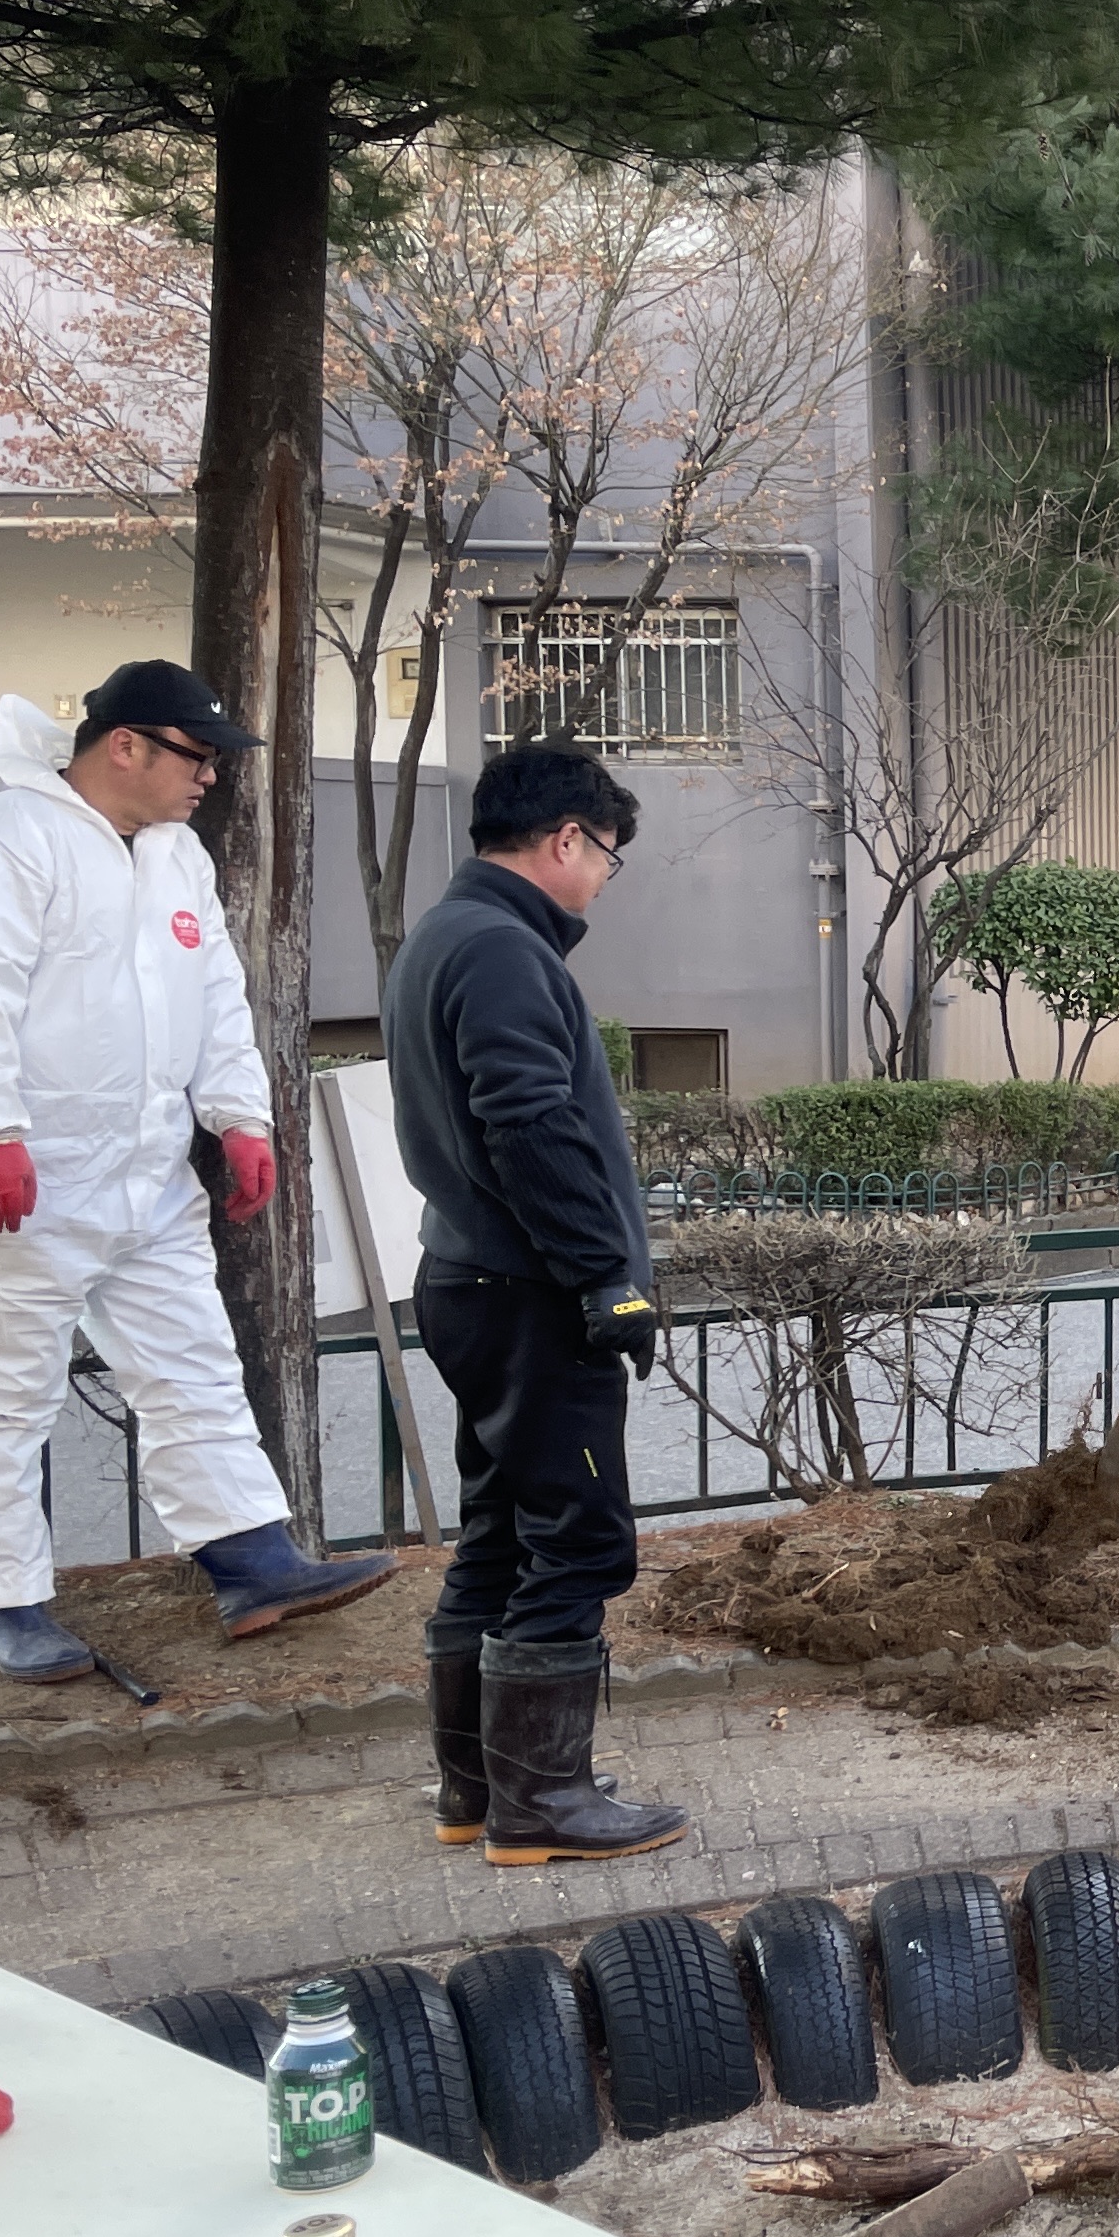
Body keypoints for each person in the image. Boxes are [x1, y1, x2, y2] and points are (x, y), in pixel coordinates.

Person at [0, 663, 398, 1685]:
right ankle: (4, 1602)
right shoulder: (1, 839)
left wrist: (239, 1118)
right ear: (125, 744)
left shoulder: (175, 857)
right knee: (3, 1390)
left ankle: (251, 1559)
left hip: (147, 1171)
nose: (210, 774)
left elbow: (216, 995)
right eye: (196, 754)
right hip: (32, 1173)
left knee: (193, 1364)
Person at [383, 744, 689, 1863]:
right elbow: (527, 1124)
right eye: (606, 854)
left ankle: (477, 1791)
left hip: (473, 1279)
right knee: (578, 1539)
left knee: (503, 1533)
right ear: (566, 838)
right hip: (531, 1291)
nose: (603, 878)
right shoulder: (504, 950)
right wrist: (606, 1276)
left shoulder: (444, 936)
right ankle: (542, 1801)